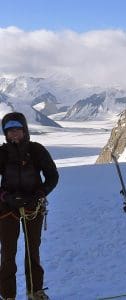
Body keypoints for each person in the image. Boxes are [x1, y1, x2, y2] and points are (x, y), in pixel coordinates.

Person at [0, 112, 59, 300]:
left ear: (24, 130)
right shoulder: (1, 153)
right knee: (8, 253)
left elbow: (52, 176)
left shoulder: (37, 150)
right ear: (5, 134)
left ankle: (35, 291)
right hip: (7, 208)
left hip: (34, 205)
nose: (14, 134)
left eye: (17, 130)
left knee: (32, 250)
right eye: (10, 131)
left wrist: (40, 194)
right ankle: (8, 295)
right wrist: (5, 196)